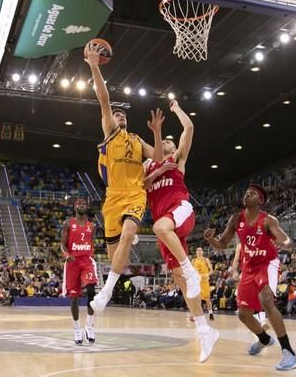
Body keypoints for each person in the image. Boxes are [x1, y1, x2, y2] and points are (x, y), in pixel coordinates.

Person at [85, 42, 163, 313]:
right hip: (112, 198)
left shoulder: (138, 140)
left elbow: (160, 157)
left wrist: (156, 131)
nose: (119, 116)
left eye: (123, 115)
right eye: (116, 114)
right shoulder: (111, 133)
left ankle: (105, 293)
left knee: (130, 234)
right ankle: (110, 285)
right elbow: (103, 99)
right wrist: (94, 66)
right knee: (114, 253)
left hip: (135, 194)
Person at [143, 100, 218, 362]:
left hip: (180, 210)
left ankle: (190, 269)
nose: (166, 145)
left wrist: (175, 108)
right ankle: (204, 330)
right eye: (163, 142)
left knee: (159, 227)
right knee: (181, 282)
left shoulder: (178, 159)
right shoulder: (148, 166)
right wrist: (157, 171)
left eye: (170, 144)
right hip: (167, 228)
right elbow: (140, 186)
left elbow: (189, 127)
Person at [204, 184, 296, 371]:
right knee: (243, 314)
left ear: (260, 200)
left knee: (266, 300)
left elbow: (288, 241)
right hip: (248, 267)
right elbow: (222, 243)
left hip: (267, 264)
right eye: (247, 192)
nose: (247, 194)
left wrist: (285, 244)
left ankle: (289, 352)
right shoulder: (235, 219)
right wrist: (210, 239)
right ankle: (264, 339)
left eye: (253, 193)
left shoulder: (268, 220)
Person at [61, 198, 98, 345]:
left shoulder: (92, 225)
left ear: (87, 207)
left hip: (86, 261)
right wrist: (67, 255)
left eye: (83, 204)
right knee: (74, 298)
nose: (81, 205)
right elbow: (62, 245)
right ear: (75, 208)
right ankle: (77, 329)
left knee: (91, 290)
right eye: (78, 204)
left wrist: (90, 252)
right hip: (72, 262)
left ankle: (89, 326)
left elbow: (91, 242)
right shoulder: (68, 224)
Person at [192, 247, 215, 320]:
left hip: (204, 281)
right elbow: (192, 271)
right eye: (198, 250)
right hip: (197, 281)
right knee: (196, 299)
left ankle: (211, 313)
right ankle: (196, 315)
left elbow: (211, 270)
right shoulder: (193, 261)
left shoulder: (206, 260)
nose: (199, 252)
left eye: (200, 250)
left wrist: (207, 275)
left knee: (207, 298)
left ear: (202, 252)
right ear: (196, 252)